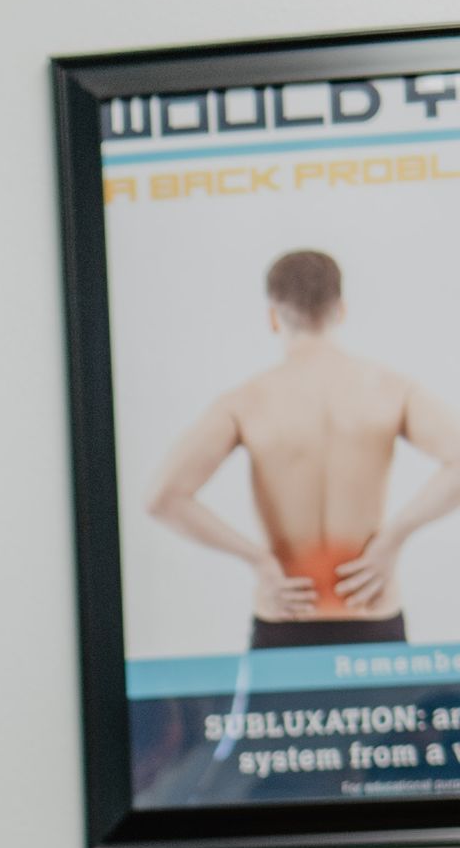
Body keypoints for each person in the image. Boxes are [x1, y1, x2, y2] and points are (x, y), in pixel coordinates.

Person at [146, 247, 460, 650]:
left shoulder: (246, 401)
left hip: (286, 611)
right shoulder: (391, 390)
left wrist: (258, 560)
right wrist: (394, 537)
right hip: (369, 608)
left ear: (273, 316)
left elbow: (162, 498)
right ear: (340, 310)